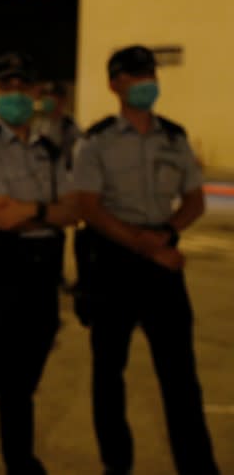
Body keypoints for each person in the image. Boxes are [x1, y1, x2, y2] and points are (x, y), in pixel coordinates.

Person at [72, 45, 219, 475]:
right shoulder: (96, 141)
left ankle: (198, 465)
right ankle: (117, 465)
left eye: (149, 73)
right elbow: (88, 206)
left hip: (162, 261)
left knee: (181, 378)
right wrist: (146, 245)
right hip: (113, 264)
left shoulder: (174, 137)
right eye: (136, 75)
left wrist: (166, 234)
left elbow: (194, 199)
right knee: (108, 376)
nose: (146, 82)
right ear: (115, 83)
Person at [0, 52, 78, 475]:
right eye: (5, 87)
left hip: (42, 276)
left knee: (22, 386)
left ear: (35, 93)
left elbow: (73, 210)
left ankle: (21, 462)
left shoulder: (47, 149)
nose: (15, 95)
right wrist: (46, 212)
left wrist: (30, 211)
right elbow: (4, 216)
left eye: (21, 87)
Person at [36, 81, 81, 170]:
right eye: (46, 96)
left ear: (62, 100)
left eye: (53, 96)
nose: (49, 100)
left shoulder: (69, 125)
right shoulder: (38, 124)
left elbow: (78, 153)